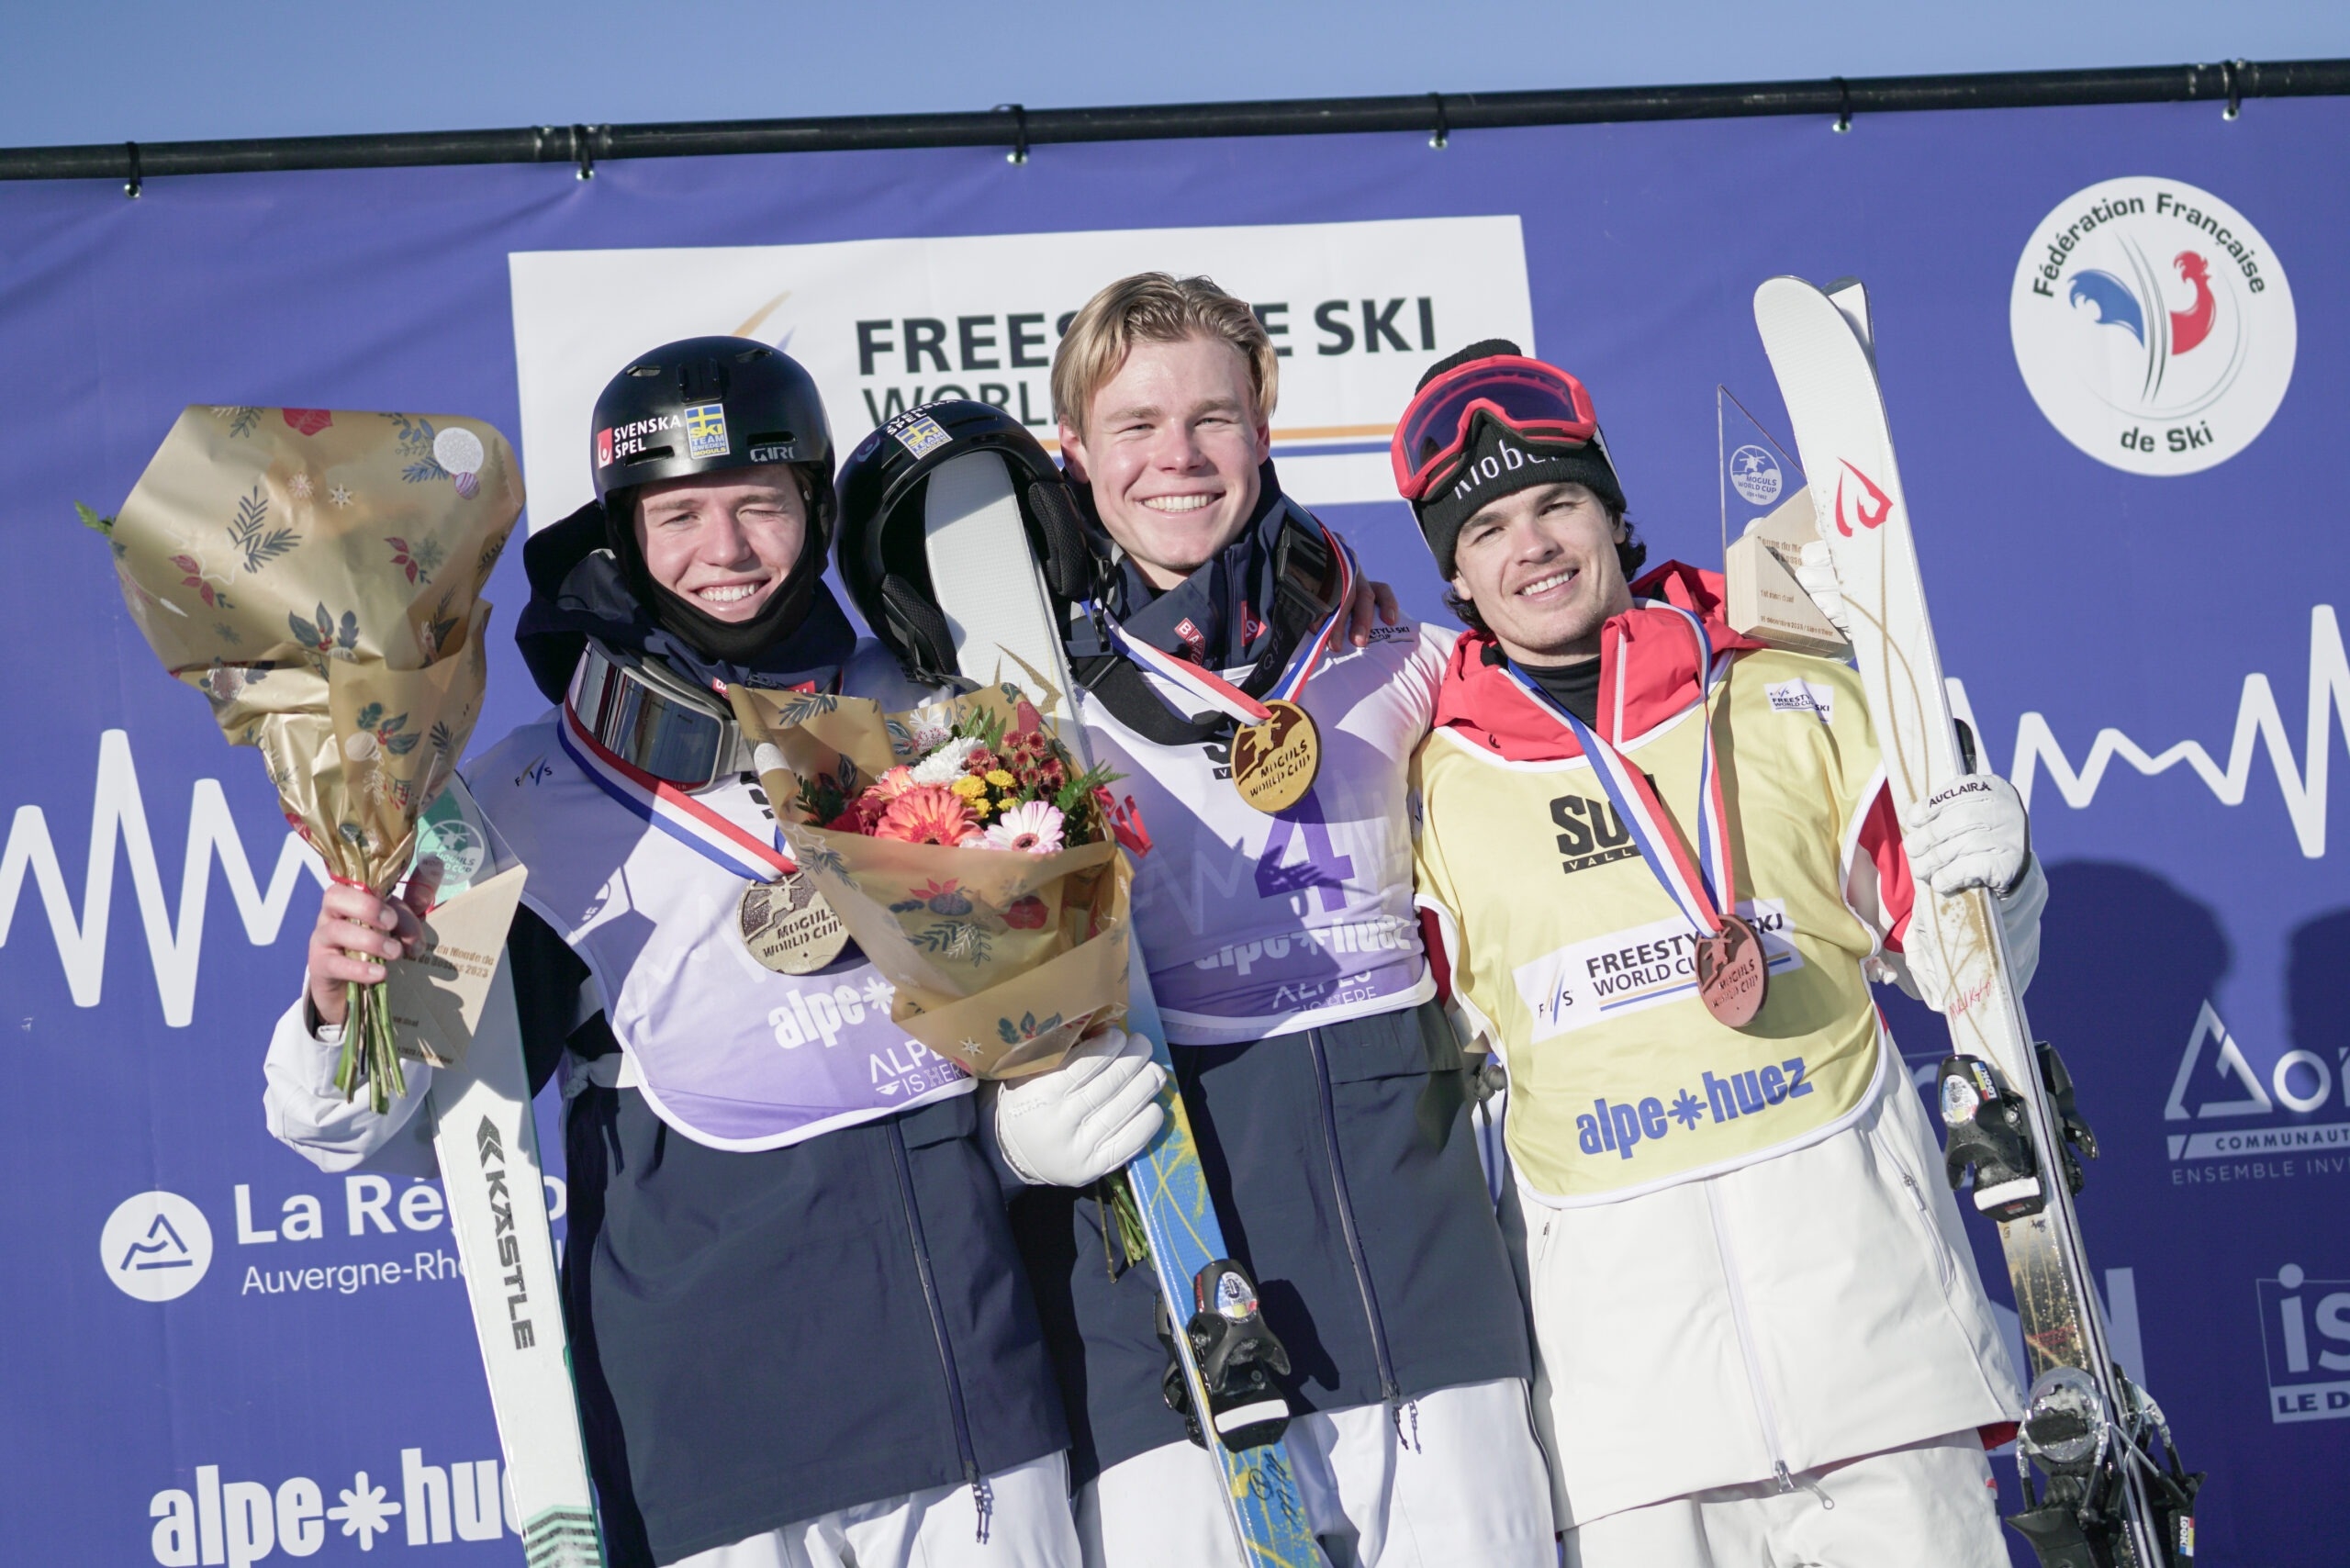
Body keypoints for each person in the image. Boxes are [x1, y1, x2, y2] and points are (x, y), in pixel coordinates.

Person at [263, 337, 1167, 1568]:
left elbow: (1033, 1012)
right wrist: (335, 1004)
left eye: (760, 505)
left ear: (818, 508)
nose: (726, 551)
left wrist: (1021, 1138)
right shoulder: (523, 799)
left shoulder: (933, 717)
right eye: (678, 513)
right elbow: (358, 1122)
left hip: (976, 1384)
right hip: (711, 1432)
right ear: (624, 531)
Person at [1399, 340, 2038, 1567]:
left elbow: (1968, 972)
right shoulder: (1436, 786)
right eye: (1486, 532)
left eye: (1557, 504)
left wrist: (1999, 872)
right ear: (1459, 577)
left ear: (1613, 516)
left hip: (1881, 1364)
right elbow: (1424, 1062)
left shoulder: (1795, 694)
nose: (1529, 545)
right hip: (1632, 1424)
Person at [1015, 276, 1555, 1567]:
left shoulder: (1407, 659)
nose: (1179, 458)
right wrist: (1013, 1125)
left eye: (1215, 415)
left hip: (1427, 1261)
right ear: (1074, 453)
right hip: (1168, 1270)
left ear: (1265, 427)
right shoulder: (1025, 719)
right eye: (1135, 425)